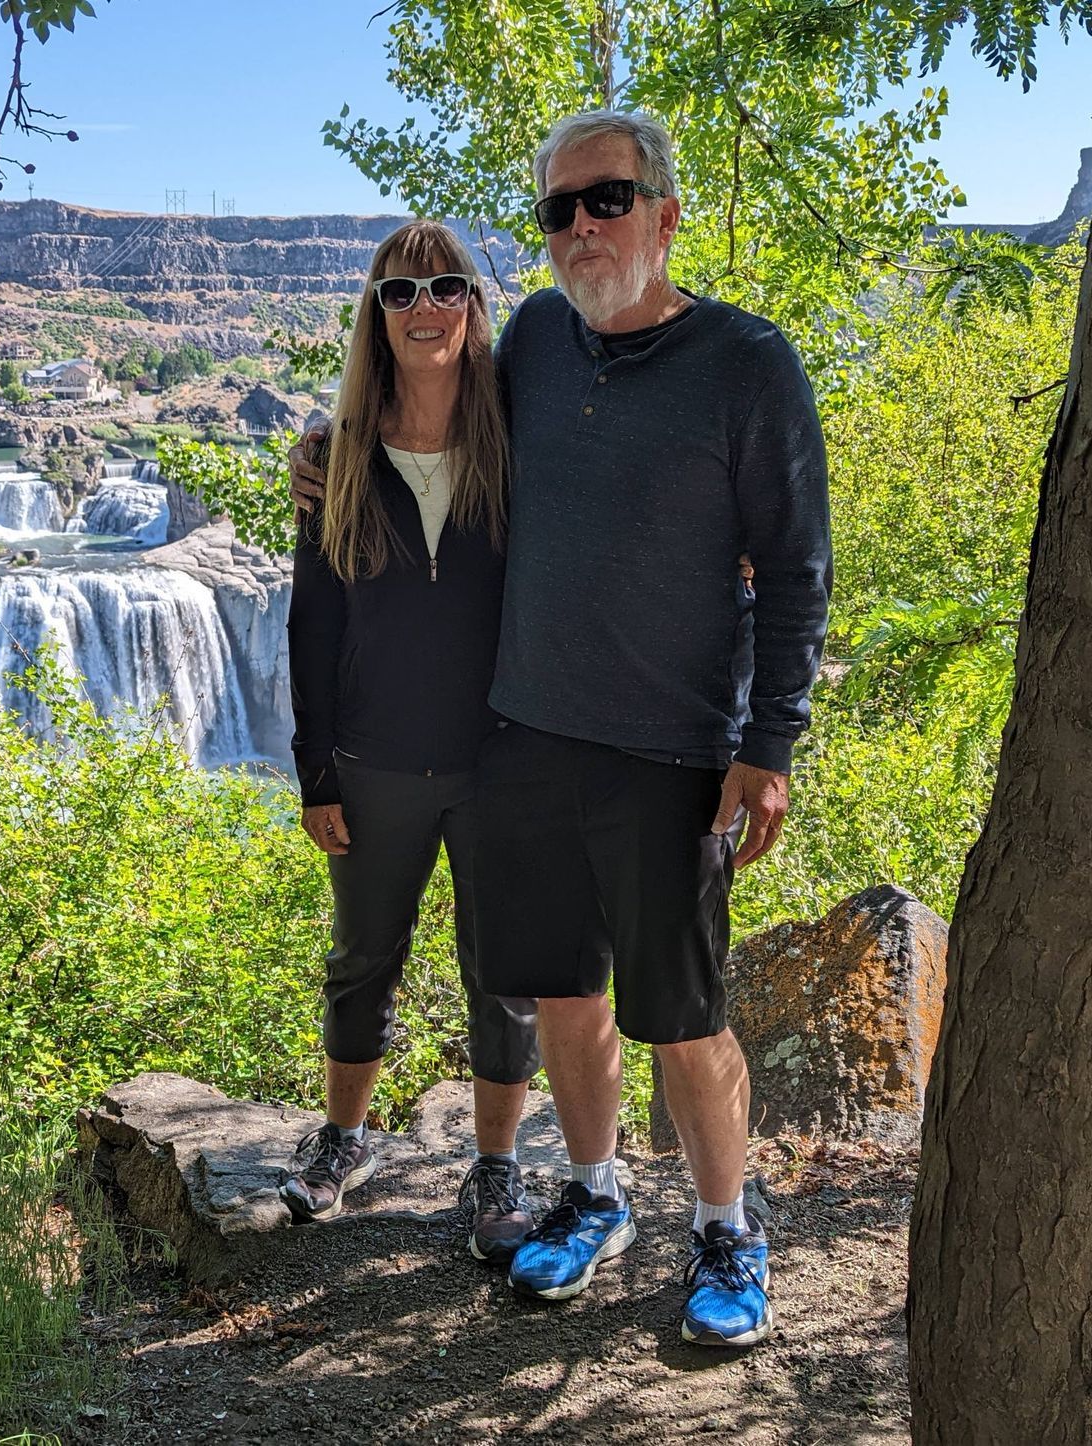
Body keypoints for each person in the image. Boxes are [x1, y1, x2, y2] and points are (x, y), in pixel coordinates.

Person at [293, 111, 830, 1347]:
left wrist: (769, 745)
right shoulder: (532, 337)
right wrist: (329, 455)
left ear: (665, 212)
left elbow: (796, 570)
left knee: (686, 1017)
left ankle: (727, 1226)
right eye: (560, 210)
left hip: (672, 751)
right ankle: (597, 1197)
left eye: (609, 200)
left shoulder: (749, 363)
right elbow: (422, 403)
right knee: (566, 1000)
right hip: (523, 739)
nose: (583, 227)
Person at [279, 219, 542, 1266]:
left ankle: (496, 1167)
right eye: (400, 292)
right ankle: (345, 1142)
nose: (424, 308)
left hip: (499, 762)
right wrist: (314, 768)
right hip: (376, 765)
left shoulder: (522, 448)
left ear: (474, 310)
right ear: (375, 318)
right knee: (361, 962)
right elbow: (314, 624)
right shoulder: (335, 461)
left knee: (504, 973)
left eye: (445, 287)